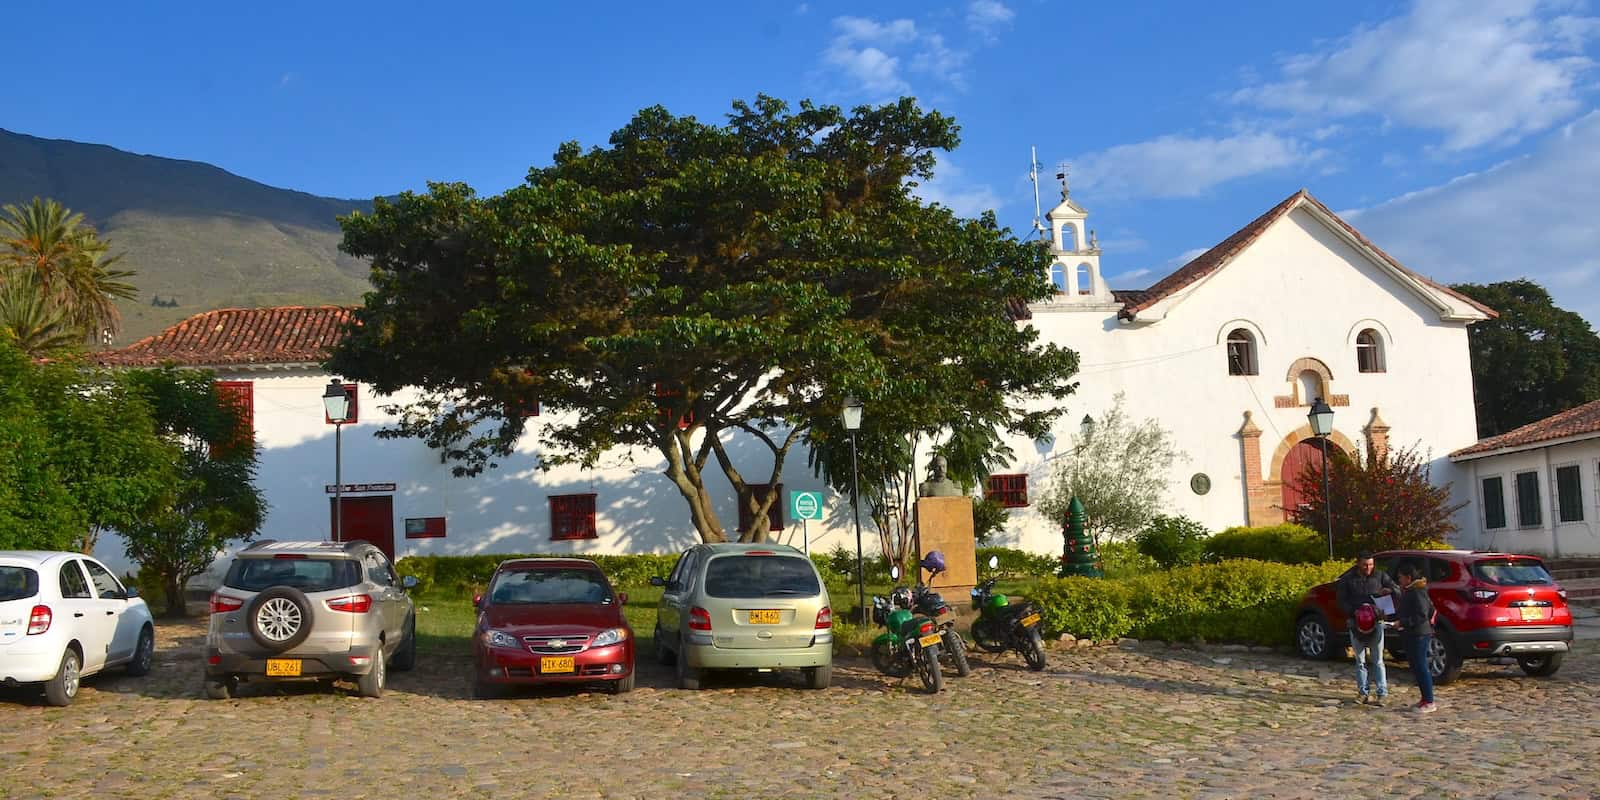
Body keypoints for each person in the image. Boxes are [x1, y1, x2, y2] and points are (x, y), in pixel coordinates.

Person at [1335, 550, 1399, 706]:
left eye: (1370, 564)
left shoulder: (1380, 576)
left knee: (1378, 660)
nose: (1368, 567)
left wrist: (1390, 590)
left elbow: (1397, 590)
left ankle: (1382, 693)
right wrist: (1353, 611)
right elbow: (1341, 601)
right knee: (1360, 661)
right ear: (1358, 563)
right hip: (1355, 623)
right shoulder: (1348, 579)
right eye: (1365, 565)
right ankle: (1362, 692)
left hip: (1376, 622)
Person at [1395, 563, 1438, 714]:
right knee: (1416, 666)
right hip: (1412, 633)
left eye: (1400, 577)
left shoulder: (1417, 591)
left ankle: (1429, 700)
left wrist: (1404, 622)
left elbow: (1422, 614)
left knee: (1421, 666)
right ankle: (1424, 698)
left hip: (1419, 634)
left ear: (1408, 577)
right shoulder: (1410, 591)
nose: (1398, 580)